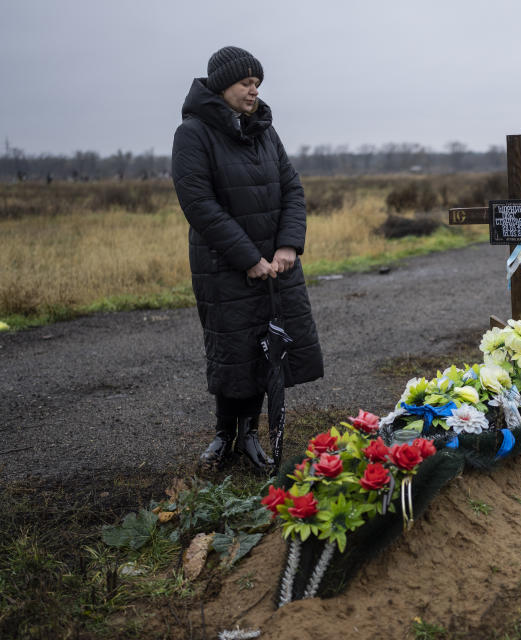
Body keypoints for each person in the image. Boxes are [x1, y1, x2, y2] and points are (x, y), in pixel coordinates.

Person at [172, 46, 323, 472]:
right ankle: (224, 436)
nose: (253, 91)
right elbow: (198, 203)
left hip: (276, 266)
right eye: (246, 83)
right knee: (232, 348)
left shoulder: (264, 131)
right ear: (223, 86)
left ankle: (252, 435)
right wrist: (248, 258)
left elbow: (292, 188)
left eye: (257, 84)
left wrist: (288, 246)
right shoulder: (194, 134)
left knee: (264, 348)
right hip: (225, 265)